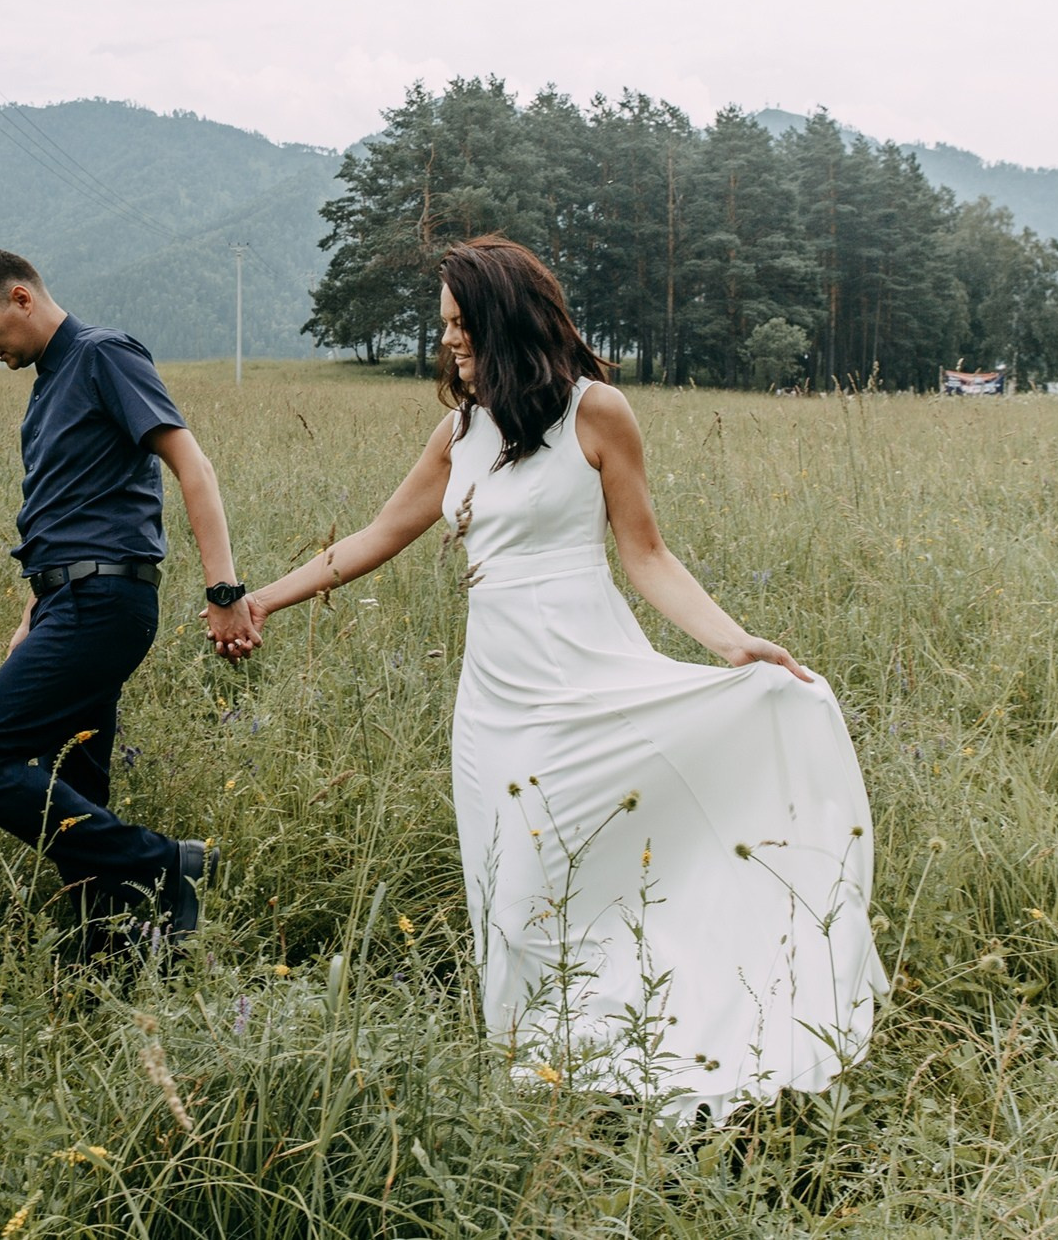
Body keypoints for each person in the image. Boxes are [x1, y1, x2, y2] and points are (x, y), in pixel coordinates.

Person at [223, 235, 884, 1114]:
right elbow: (374, 538)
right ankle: (536, 1075)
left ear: (504, 319)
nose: (449, 342)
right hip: (494, 700)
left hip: (587, 675)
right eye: (445, 327)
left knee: (598, 864)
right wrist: (263, 599)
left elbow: (646, 555)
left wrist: (733, 642)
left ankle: (655, 1034)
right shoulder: (457, 435)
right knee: (511, 891)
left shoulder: (595, 412)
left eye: (461, 325)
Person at [0, 248, 255, 950]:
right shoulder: (49, 386)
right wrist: (34, 611)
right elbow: (65, 513)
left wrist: (223, 588)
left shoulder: (101, 354)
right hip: (68, 602)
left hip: (104, 601)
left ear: (22, 298)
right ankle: (122, 944)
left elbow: (190, 463)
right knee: (74, 782)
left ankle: (166, 865)